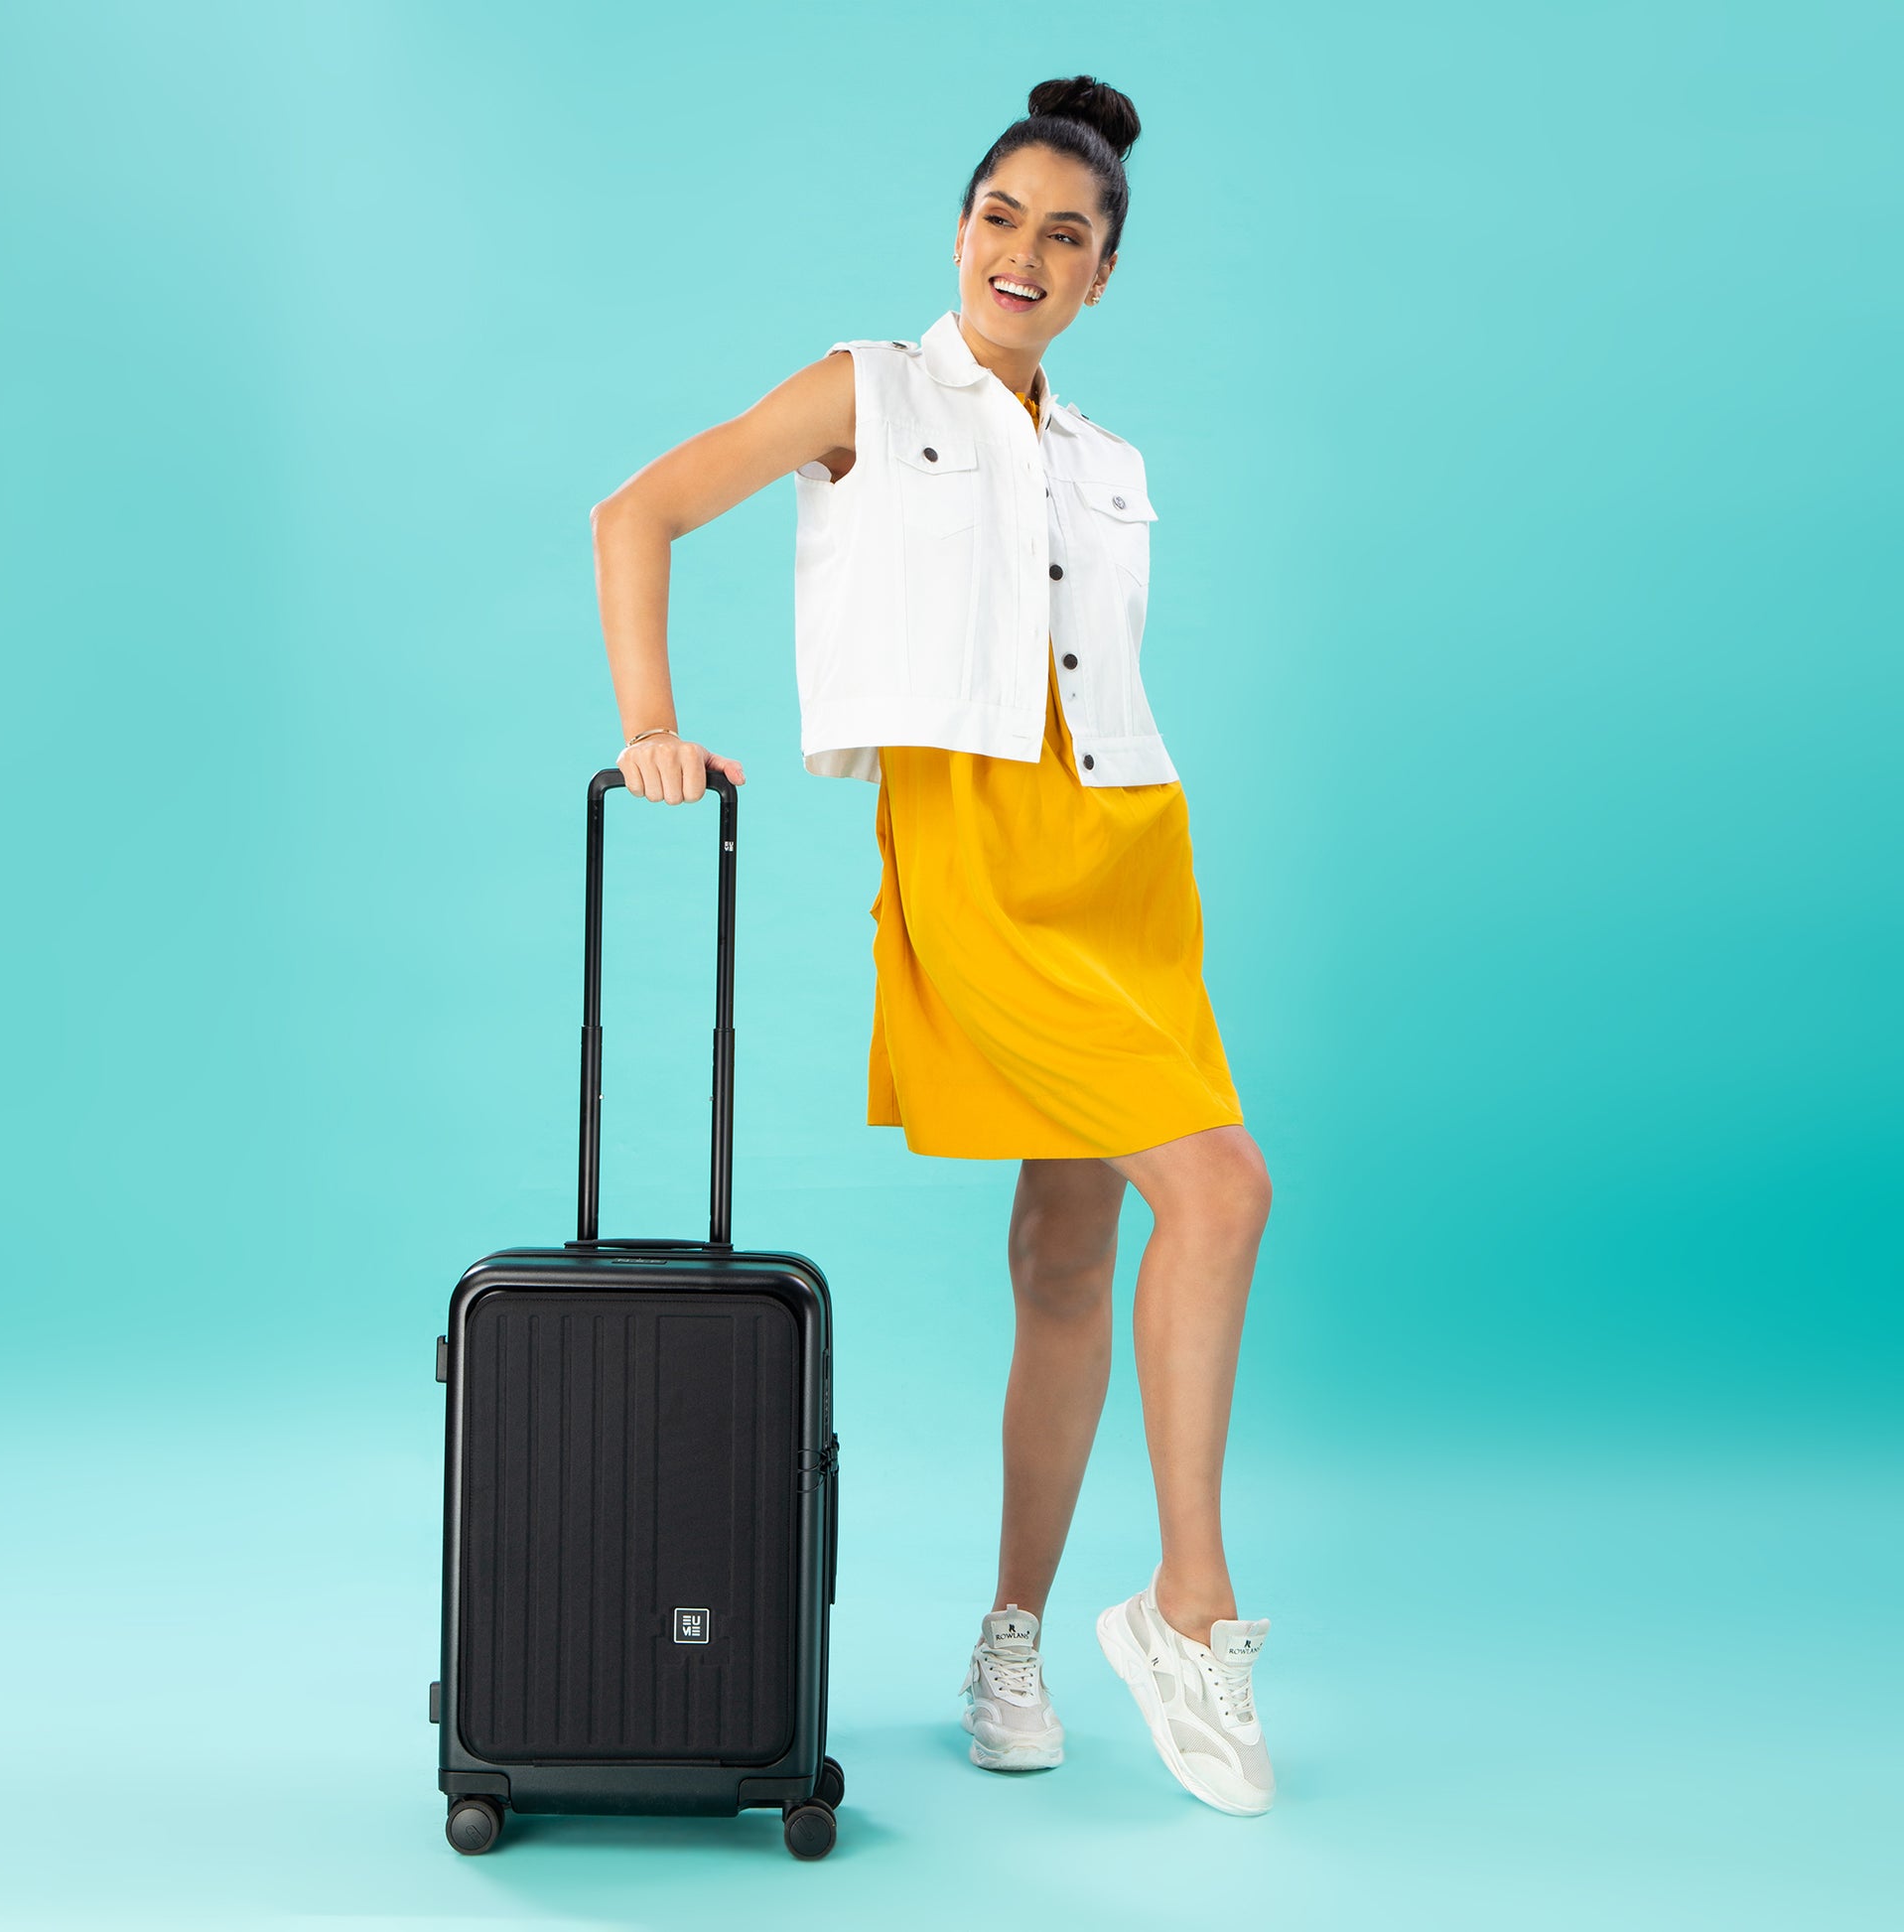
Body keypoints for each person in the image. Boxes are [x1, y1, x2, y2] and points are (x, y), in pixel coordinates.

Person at [588, 75, 1276, 1819]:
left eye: (1067, 234)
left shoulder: (1111, 464)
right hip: (970, 852)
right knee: (1218, 1190)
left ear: (1104, 275)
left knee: (1064, 1258)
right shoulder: (866, 390)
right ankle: (1187, 1609)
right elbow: (636, 513)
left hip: (1127, 854)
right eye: (1000, 218)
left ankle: (1012, 1638)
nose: (1024, 254)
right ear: (958, 229)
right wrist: (653, 723)